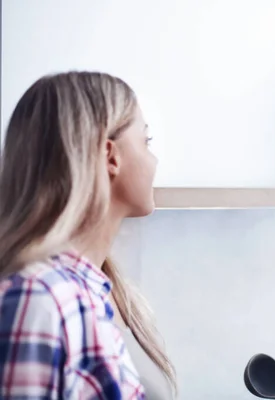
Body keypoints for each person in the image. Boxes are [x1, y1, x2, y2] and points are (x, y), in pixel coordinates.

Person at [0, 72, 176, 399]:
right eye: (145, 141)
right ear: (111, 156)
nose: (154, 159)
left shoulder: (99, 290)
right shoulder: (39, 298)